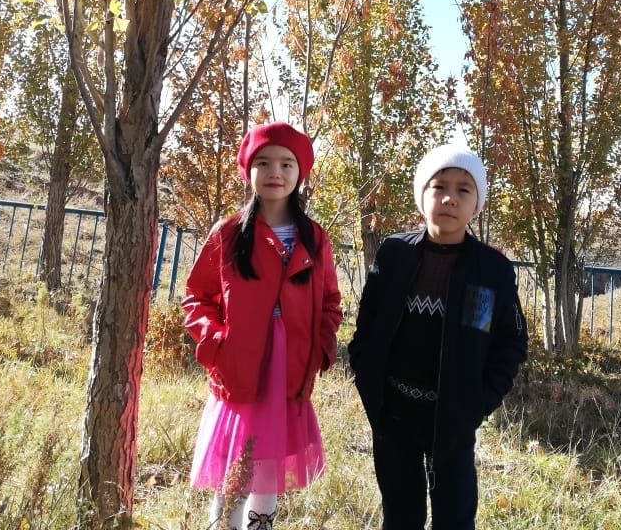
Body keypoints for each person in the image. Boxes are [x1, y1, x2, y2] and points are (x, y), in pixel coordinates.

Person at [348, 143, 528, 530]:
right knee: (401, 515)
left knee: (455, 517)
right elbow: (368, 323)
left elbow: (511, 343)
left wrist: (479, 403)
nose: (450, 198)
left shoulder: (490, 270)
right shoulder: (394, 253)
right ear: (422, 194)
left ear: (478, 203)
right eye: (439, 186)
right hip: (393, 416)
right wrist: (367, 380)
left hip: (454, 421)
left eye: (464, 189)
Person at [182, 122, 342, 530]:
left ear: (300, 173)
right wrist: (217, 343)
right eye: (264, 163)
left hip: (289, 367)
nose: (276, 172)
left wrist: (321, 347)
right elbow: (198, 297)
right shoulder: (229, 234)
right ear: (248, 170)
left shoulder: (315, 239)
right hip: (240, 363)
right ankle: (224, 525)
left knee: (268, 459)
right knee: (236, 459)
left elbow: (330, 302)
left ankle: (260, 525)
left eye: (287, 164)